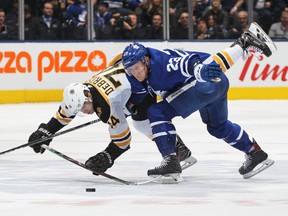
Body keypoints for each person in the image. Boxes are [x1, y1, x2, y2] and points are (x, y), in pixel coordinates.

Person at [121, 22, 276, 180]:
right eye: (131, 70)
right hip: (218, 85)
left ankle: (170, 161)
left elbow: (187, 63)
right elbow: (137, 98)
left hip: (205, 85)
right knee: (217, 127)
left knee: (157, 112)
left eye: (137, 67)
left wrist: (198, 70)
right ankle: (254, 152)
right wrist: (119, 114)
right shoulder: (140, 74)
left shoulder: (161, 64)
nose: (135, 73)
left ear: (146, 59)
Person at [28, 55, 196, 176]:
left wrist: (107, 156)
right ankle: (179, 149)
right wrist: (46, 131)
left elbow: (123, 140)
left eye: (84, 107)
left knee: (142, 124)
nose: (83, 112)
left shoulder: (108, 104)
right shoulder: (83, 90)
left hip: (142, 86)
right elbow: (67, 111)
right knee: (140, 120)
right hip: (126, 77)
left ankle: (177, 152)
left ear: (89, 97)